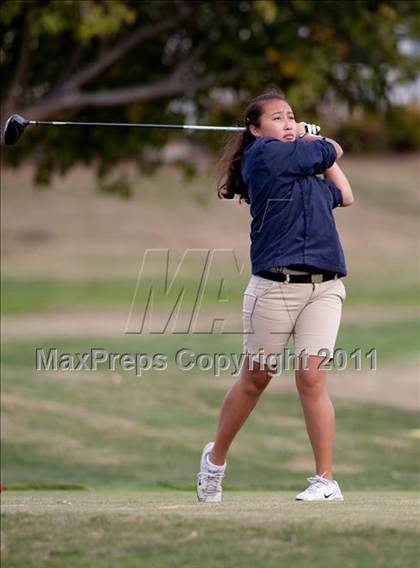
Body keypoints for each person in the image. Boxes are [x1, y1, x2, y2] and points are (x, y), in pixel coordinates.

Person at [196, 90, 354, 503]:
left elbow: (346, 193)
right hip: (274, 288)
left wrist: (311, 144)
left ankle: (325, 480)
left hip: (325, 287)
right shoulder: (263, 157)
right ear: (255, 129)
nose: (288, 123)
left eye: (292, 117)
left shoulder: (304, 174)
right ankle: (215, 462)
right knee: (257, 379)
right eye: (278, 118)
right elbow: (333, 149)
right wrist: (311, 137)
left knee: (312, 376)